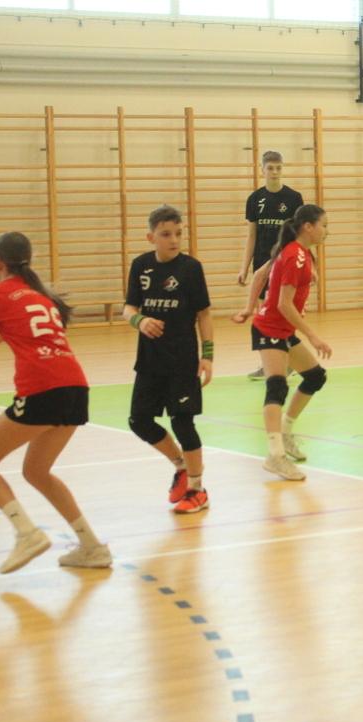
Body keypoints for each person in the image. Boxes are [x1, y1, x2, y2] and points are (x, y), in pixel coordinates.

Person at [0, 232, 110, 573]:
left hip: (42, 389)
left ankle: (27, 533)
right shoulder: (40, 297)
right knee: (36, 472)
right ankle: (92, 547)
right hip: (75, 388)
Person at [123, 205, 214, 514]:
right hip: (149, 360)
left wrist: (208, 356)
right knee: (138, 420)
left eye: (178, 233)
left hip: (182, 361)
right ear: (151, 237)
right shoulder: (141, 266)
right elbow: (129, 308)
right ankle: (180, 465)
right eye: (165, 234)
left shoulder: (191, 268)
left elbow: (204, 314)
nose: (173, 240)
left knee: (182, 422)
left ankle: (198, 490)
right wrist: (140, 321)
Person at [232, 204, 332, 481]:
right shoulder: (294, 256)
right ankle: (275, 455)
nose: (326, 231)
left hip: (282, 329)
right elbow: (283, 304)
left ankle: (285, 434)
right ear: (308, 227)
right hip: (270, 328)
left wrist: (249, 307)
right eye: (324, 225)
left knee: (315, 377)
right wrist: (313, 336)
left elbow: (260, 274)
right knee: (276, 386)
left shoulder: (297, 252)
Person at [239, 150, 304, 380]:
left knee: (284, 313)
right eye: (270, 168)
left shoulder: (294, 198)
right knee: (264, 316)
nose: (275, 172)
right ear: (262, 170)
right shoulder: (254, 199)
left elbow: (299, 236)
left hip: (284, 264)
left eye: (278, 168)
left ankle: (288, 363)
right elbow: (251, 236)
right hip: (261, 265)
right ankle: (268, 364)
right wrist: (244, 267)